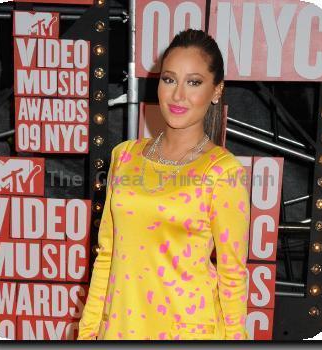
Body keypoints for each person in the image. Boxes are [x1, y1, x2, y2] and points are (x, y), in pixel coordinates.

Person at [77, 29, 251, 340]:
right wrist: (87, 332)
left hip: (188, 332)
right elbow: (107, 254)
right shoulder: (125, 156)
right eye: (169, 79)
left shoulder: (224, 172)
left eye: (194, 82)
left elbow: (233, 276)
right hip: (120, 330)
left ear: (216, 90)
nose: (178, 95)